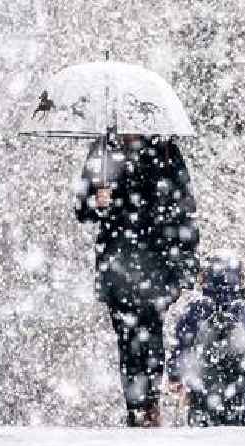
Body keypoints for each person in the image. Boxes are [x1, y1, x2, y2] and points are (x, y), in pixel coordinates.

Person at [75, 133, 199, 427]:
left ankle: (149, 403)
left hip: (157, 264)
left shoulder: (167, 152)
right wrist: (97, 200)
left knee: (151, 334)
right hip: (118, 266)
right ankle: (136, 407)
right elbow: (82, 208)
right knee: (127, 340)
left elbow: (185, 212)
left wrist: (185, 267)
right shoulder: (103, 151)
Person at [167, 252, 245, 426]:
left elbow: (182, 346)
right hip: (243, 395)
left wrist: (175, 376)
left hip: (203, 393)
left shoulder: (196, 309)